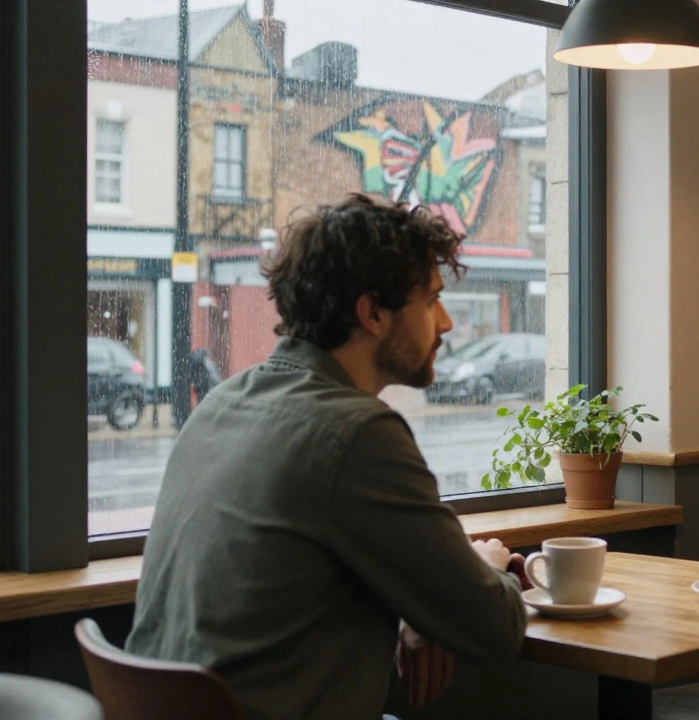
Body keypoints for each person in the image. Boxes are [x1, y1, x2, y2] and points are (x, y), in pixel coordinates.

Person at [126, 193, 528, 720]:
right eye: (431, 300)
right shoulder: (358, 432)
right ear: (373, 312)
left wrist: (417, 605)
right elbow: (493, 627)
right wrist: (489, 563)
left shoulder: (223, 401)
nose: (447, 322)